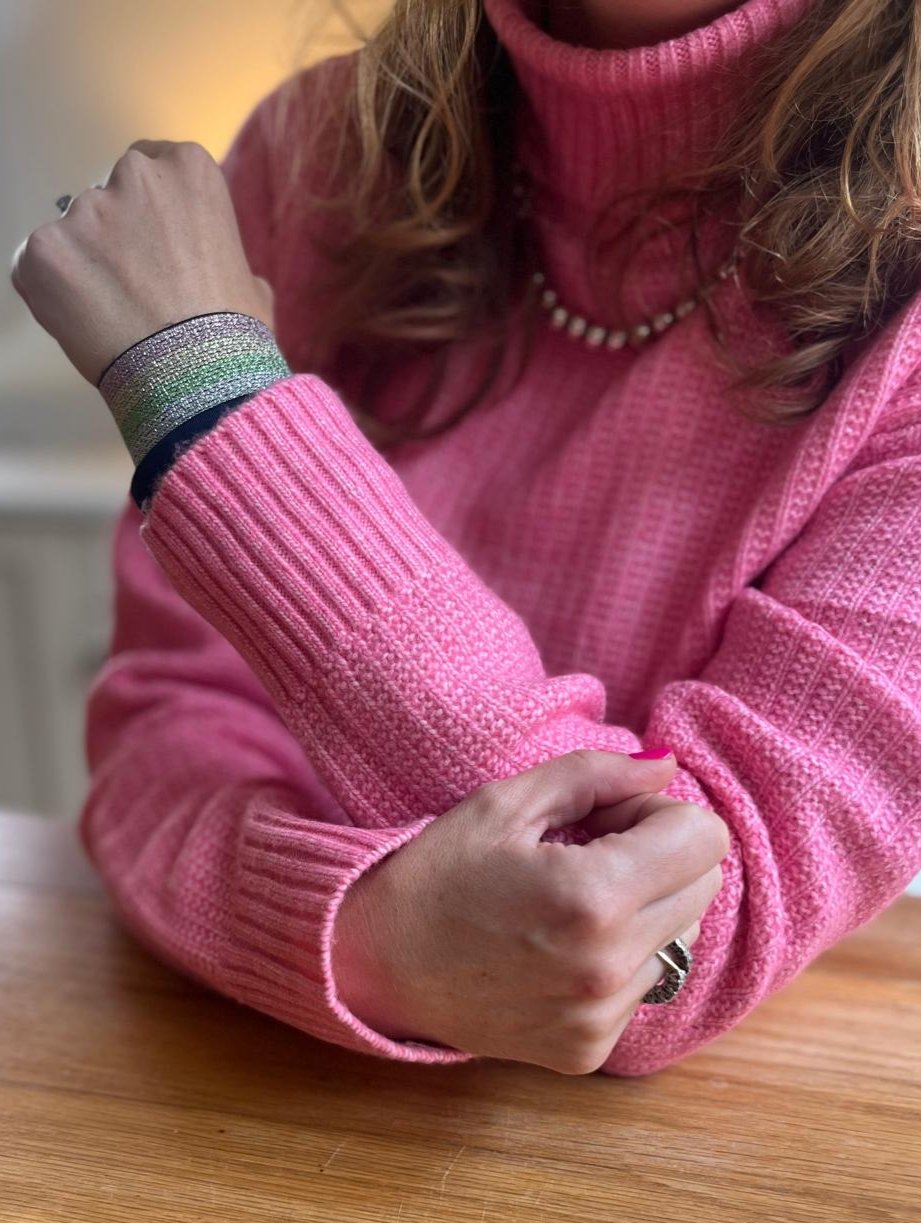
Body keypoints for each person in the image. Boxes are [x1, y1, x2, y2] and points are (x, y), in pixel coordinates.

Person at [10, 0, 921, 1078]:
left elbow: (671, 943)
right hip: (247, 1116)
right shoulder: (318, 153)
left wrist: (209, 402)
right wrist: (369, 939)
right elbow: (165, 730)